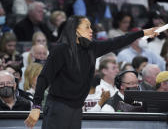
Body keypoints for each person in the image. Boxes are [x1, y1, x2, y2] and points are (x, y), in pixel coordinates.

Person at [24, 15, 158, 129]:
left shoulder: (91, 48)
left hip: (77, 109)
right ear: (75, 30)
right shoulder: (61, 50)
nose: (91, 30)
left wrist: (143, 33)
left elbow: (117, 41)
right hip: (58, 108)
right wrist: (36, 106)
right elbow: (43, 78)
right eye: (87, 27)